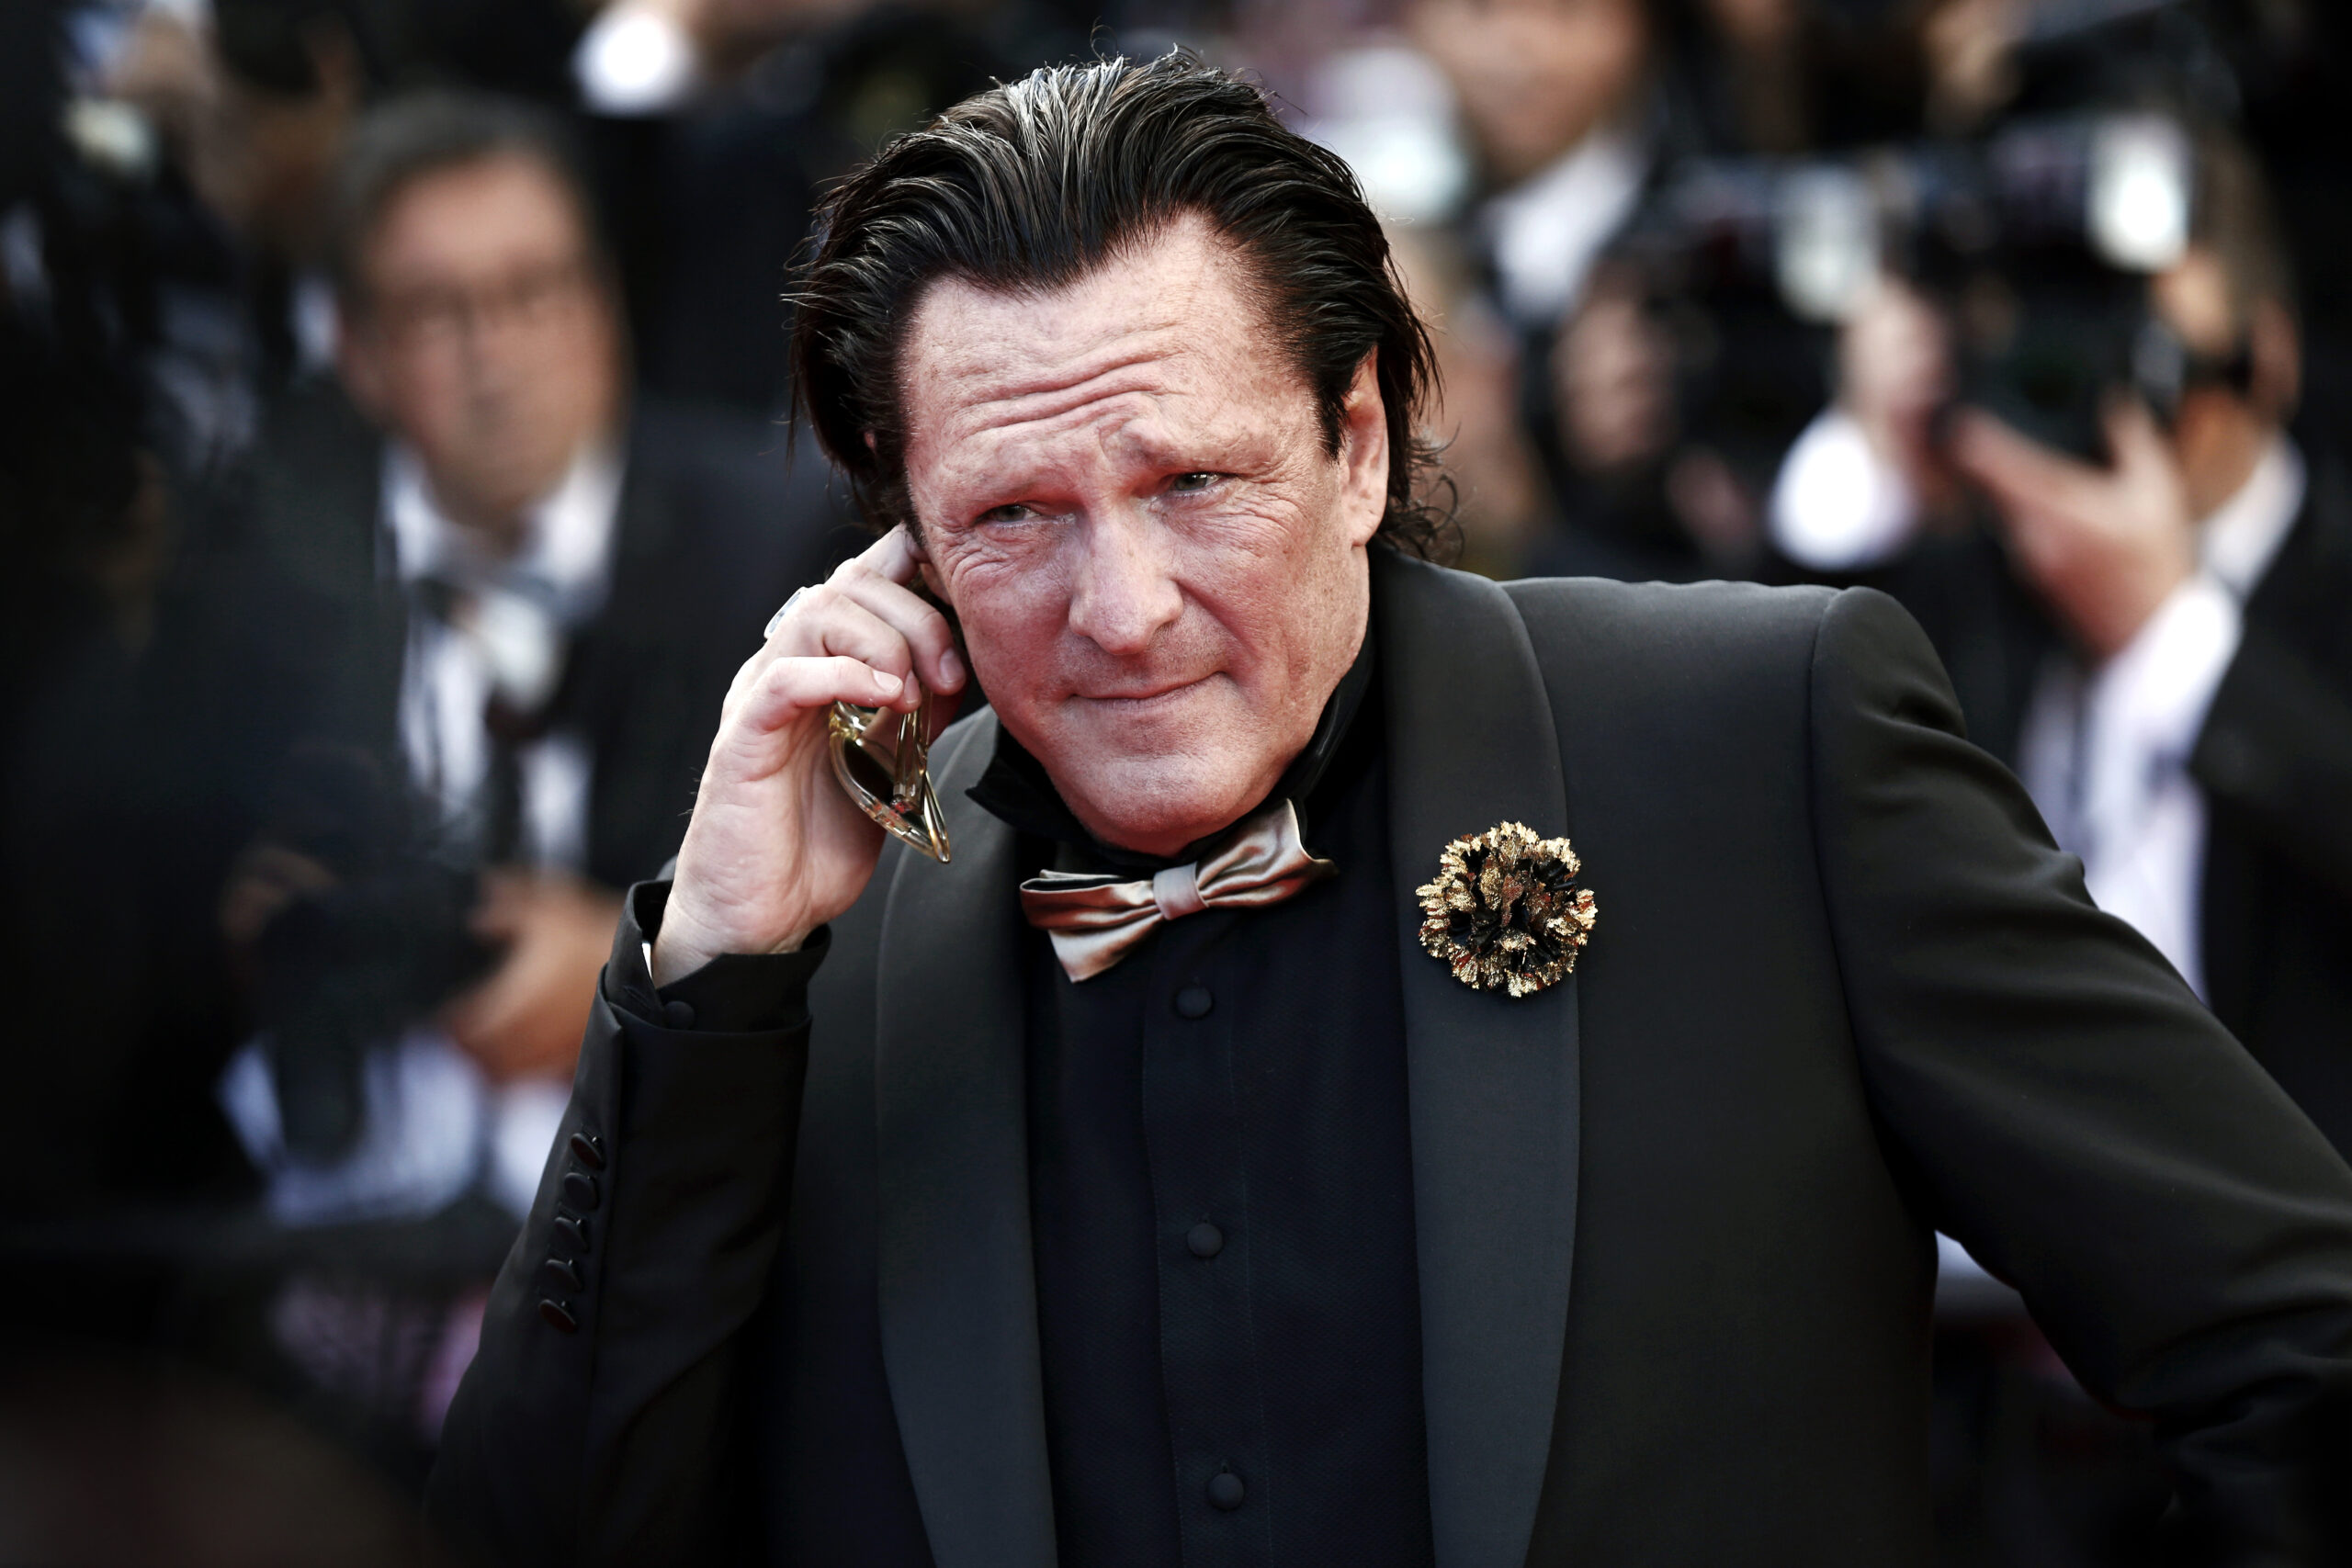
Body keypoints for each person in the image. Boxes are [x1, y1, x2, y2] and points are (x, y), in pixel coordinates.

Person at [428, 54, 2352, 1565]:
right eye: (1012, 517)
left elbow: (2297, 1339)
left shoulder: (1760, 746)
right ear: (904, 544)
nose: (1120, 608)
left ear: (1356, 441)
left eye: (1191, 483)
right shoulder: (803, 938)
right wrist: (699, 982)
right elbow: (537, 1531)